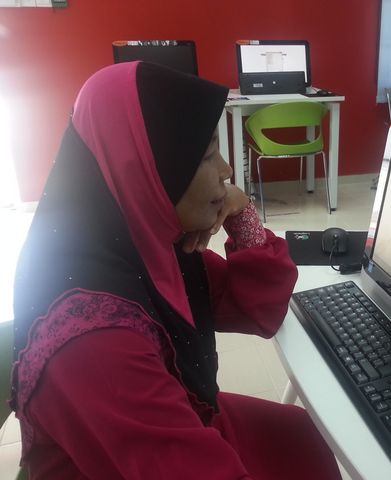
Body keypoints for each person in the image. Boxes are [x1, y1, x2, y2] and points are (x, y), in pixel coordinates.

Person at [10, 61, 342, 480]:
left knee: (300, 435)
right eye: (207, 155)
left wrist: (241, 212)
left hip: (179, 419)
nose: (226, 171)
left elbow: (260, 307)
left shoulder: (138, 239)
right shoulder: (92, 339)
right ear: (141, 167)